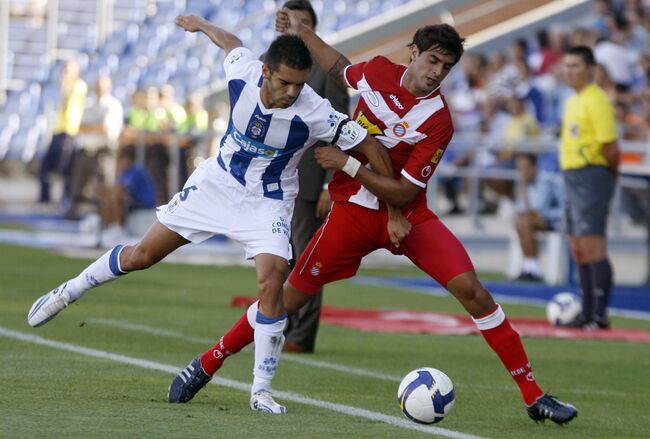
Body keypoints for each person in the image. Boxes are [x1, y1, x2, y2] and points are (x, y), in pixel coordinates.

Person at [165, 11, 578, 425]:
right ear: (413, 53)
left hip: (408, 217)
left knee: (474, 291)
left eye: (447, 67)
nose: (437, 73)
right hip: (353, 215)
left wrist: (347, 168)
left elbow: (405, 191)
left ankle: (533, 395)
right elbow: (341, 67)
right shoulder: (380, 71)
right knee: (285, 298)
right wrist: (304, 33)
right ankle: (207, 362)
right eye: (432, 61)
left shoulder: (438, 121)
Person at [26, 14, 406, 415]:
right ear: (265, 72)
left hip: (268, 200)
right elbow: (230, 40)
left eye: (300, 83)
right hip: (216, 185)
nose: (293, 91)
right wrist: (203, 25)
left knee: (273, 279)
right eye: (285, 82)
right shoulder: (242, 71)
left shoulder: (316, 111)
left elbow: (372, 148)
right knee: (142, 256)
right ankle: (69, 291)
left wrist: (394, 207)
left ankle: (261, 390)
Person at [268, 0, 350, 354]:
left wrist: (333, 184)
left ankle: (301, 336)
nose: (295, 29)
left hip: (308, 182)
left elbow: (343, 132)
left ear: (313, 29)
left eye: (303, 24)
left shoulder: (328, 69)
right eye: (290, 22)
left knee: (305, 258)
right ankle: (279, 326)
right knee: (278, 256)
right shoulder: (275, 63)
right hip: (274, 180)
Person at [559, 46, 620, 329]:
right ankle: (586, 311)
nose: (569, 70)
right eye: (567, 65)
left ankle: (599, 314)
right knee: (577, 245)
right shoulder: (574, 100)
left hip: (591, 173)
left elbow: (609, 145)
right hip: (572, 175)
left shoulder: (597, 101)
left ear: (590, 69)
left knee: (592, 244)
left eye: (575, 65)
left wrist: (609, 175)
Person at [65, 76, 124, 219]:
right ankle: (76, 216)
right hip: (85, 151)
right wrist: (94, 127)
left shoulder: (112, 105)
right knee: (79, 187)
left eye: (102, 86)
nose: (99, 89)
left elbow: (106, 128)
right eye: (97, 86)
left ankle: (106, 219)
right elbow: (77, 127)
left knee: (104, 188)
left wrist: (89, 127)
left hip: (103, 152)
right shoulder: (88, 104)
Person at [38, 60, 87, 204]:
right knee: (45, 167)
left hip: (69, 131)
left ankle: (66, 200)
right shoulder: (69, 87)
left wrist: (65, 83)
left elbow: (68, 105)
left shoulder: (78, 86)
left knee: (65, 168)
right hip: (59, 130)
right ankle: (45, 198)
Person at [513, 153, 564, 282]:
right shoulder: (524, 183)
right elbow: (522, 210)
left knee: (524, 221)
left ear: (535, 167)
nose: (522, 172)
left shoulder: (546, 181)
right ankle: (530, 267)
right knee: (521, 222)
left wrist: (523, 190)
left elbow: (537, 209)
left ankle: (532, 267)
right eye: (520, 168)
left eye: (525, 167)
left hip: (556, 220)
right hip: (535, 220)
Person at [96, 145, 156, 246]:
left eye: (123, 159)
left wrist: (105, 189)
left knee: (115, 196)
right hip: (134, 200)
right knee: (109, 198)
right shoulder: (125, 171)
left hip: (144, 203)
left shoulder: (137, 171)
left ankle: (119, 228)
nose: (121, 162)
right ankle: (111, 227)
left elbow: (121, 188)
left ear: (129, 159)